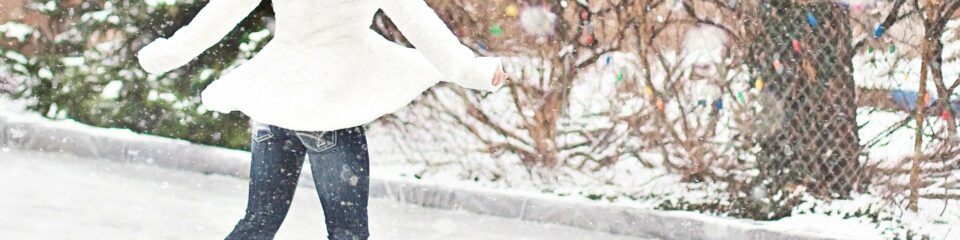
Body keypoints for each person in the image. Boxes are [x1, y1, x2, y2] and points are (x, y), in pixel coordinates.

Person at [136, 0, 508, 239]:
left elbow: (216, 18)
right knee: (347, 230)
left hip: (276, 99)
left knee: (260, 218)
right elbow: (426, 32)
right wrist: (472, 71)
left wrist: (166, 54)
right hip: (326, 108)